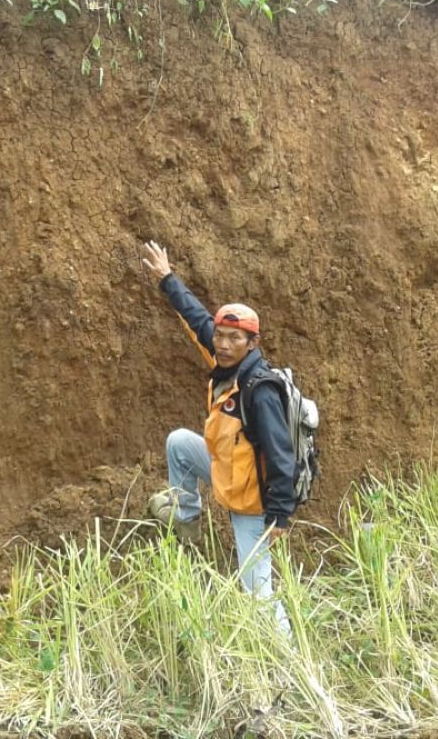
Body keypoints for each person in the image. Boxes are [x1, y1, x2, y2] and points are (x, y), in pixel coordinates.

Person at [141, 239, 294, 634]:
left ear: (253, 344)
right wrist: (167, 277)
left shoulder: (260, 392)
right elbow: (196, 318)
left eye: (233, 339)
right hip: (227, 474)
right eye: (220, 336)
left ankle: (288, 665)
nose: (223, 345)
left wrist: (280, 515)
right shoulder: (226, 364)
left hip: (251, 504)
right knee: (179, 443)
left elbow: (282, 455)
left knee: (258, 592)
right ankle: (186, 520)